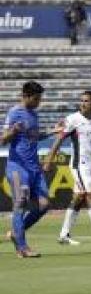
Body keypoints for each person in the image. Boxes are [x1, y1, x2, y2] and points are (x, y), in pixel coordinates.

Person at [43, 90, 91, 246]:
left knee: (78, 198)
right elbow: (59, 139)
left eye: (86, 101)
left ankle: (64, 235)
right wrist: (49, 160)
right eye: (81, 101)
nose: (83, 103)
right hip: (78, 165)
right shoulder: (73, 119)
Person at [2, 81, 57, 257]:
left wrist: (52, 131)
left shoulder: (34, 115)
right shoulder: (14, 113)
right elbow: (2, 139)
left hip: (34, 168)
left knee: (44, 205)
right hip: (18, 167)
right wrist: (12, 131)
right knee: (21, 202)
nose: (39, 102)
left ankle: (15, 234)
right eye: (36, 98)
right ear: (26, 96)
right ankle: (22, 248)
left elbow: (34, 136)